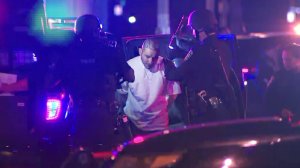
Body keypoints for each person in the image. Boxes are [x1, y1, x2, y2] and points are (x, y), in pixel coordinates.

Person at [55, 14, 134, 150]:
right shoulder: (109, 51)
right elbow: (131, 76)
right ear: (97, 31)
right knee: (111, 155)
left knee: (80, 156)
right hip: (105, 115)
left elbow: (56, 80)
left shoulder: (70, 53)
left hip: (79, 114)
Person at [165, 9, 243, 123]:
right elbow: (205, 52)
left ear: (198, 29)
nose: (191, 32)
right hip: (227, 108)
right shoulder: (223, 46)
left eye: (191, 29)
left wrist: (166, 63)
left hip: (208, 112)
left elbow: (174, 75)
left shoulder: (199, 52)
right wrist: (185, 46)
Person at [119, 39, 181, 136]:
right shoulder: (130, 66)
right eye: (147, 56)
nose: (150, 61)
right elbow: (121, 92)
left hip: (160, 124)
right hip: (134, 123)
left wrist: (161, 109)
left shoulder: (167, 66)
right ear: (140, 51)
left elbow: (174, 92)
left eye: (154, 57)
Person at [265, 43, 300, 122]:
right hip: (283, 123)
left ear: (298, 59)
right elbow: (269, 99)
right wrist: (280, 110)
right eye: (284, 59)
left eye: (288, 59)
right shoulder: (278, 77)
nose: (285, 62)